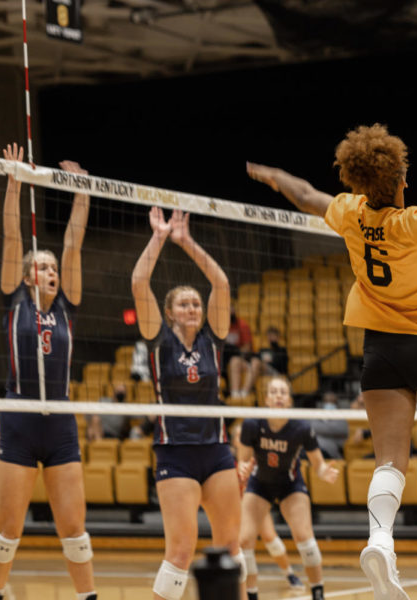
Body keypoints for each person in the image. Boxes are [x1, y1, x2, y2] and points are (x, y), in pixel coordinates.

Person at [247, 98, 417, 600]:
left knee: (390, 461)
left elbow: (304, 194)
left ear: (356, 181)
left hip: (378, 350)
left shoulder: (348, 213)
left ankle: (381, 542)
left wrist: (276, 174)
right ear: (401, 178)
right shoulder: (416, 223)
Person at [0, 143, 96, 600]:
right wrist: (14, 182)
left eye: (52, 266)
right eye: (42, 265)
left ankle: (87, 597)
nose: (48, 269)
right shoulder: (15, 298)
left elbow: (73, 244)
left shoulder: (68, 306)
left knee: (74, 529)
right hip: (18, 416)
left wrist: (82, 192)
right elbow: (13, 239)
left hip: (60, 422)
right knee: (7, 529)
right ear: (29, 273)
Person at [131, 206, 246, 600]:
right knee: (181, 550)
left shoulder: (212, 340)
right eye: (184, 304)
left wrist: (187, 241)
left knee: (232, 547)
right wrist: (161, 236)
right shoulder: (158, 339)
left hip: (216, 451)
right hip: (175, 453)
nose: (192, 309)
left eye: (196, 304)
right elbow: (139, 281)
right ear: (169, 313)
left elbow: (221, 282)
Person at [237, 377, 339, 600]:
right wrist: (242, 468)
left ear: (290, 400)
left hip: (290, 485)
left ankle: (318, 593)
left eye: (282, 392)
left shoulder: (301, 427)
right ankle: (251, 595)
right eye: (273, 392)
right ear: (266, 400)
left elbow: (318, 464)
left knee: (304, 537)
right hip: (259, 484)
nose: (278, 396)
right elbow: (243, 461)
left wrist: (324, 472)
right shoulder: (252, 424)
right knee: (244, 541)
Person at [224, 306, 255, 402]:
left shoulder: (242, 325)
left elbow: (247, 347)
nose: (230, 312)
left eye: (231, 309)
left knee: (235, 360)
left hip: (243, 359)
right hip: (224, 360)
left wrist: (234, 351)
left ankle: (236, 395)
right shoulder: (221, 327)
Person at [310, 392, 349, 459]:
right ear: (323, 403)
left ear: (336, 404)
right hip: (313, 451)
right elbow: (310, 427)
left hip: (331, 454)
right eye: (327, 401)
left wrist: (319, 430)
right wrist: (328, 430)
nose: (329, 404)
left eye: (332, 402)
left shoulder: (341, 419)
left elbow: (342, 430)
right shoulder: (317, 416)